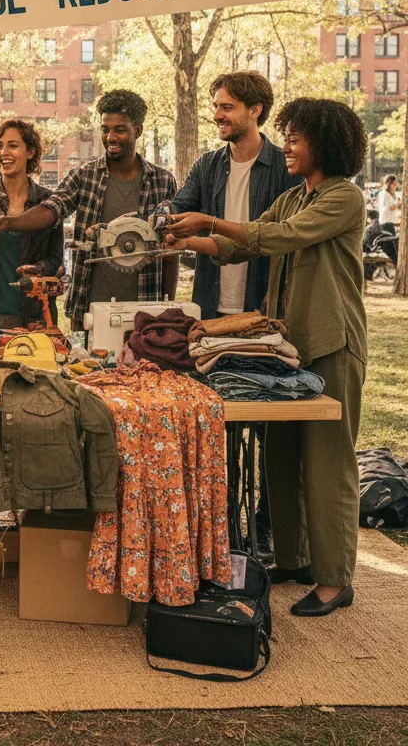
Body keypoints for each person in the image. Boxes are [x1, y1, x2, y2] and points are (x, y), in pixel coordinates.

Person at [167, 98, 368, 618]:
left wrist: (212, 219)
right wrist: (188, 239)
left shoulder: (344, 197)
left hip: (332, 343)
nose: (288, 148)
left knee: (327, 463)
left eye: (297, 139)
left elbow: (280, 236)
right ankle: (297, 559)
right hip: (287, 349)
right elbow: (245, 246)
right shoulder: (294, 196)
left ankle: (335, 579)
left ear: (325, 144)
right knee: (281, 456)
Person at [0, 90, 178, 331]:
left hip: (145, 311)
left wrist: (167, 308)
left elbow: (171, 250)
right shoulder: (84, 176)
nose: (110, 137)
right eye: (105, 129)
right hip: (88, 309)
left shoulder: (162, 181)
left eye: (120, 129)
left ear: (138, 130)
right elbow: (52, 209)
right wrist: (10, 222)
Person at [164, 72, 301, 318]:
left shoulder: (286, 167)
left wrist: (206, 223)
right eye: (216, 106)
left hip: (266, 309)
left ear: (254, 110)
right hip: (209, 306)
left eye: (227, 107)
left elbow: (286, 236)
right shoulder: (207, 165)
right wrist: (158, 218)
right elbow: (177, 208)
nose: (217, 115)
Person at [0, 120, 64, 328]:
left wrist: (40, 267)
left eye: (13, 145)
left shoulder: (47, 203)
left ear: (30, 152)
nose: (3, 152)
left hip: (35, 315)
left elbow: (56, 258)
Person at [377, 174, 400, 264]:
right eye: (394, 183)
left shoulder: (394, 194)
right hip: (385, 223)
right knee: (393, 250)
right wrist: (395, 205)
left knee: (395, 249)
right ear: (390, 183)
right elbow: (386, 209)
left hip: (391, 222)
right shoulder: (383, 194)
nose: (396, 185)